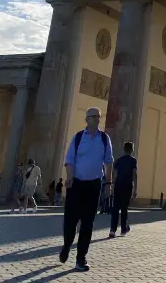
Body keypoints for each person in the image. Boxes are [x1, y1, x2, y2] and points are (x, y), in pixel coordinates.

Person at [60, 106, 113, 272]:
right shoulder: (77, 138)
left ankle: (81, 258)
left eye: (99, 116)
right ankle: (67, 245)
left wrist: (109, 183)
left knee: (88, 223)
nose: (98, 119)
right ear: (87, 119)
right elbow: (69, 160)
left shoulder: (104, 139)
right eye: (94, 117)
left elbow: (109, 161)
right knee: (71, 221)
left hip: (94, 185)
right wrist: (69, 176)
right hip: (76, 184)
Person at [109, 141, 137, 238]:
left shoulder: (119, 160)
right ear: (132, 150)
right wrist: (135, 188)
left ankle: (112, 230)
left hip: (118, 185)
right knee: (124, 208)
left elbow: (115, 174)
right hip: (127, 186)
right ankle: (123, 230)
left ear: (124, 149)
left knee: (115, 208)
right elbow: (134, 174)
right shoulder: (133, 161)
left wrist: (112, 186)